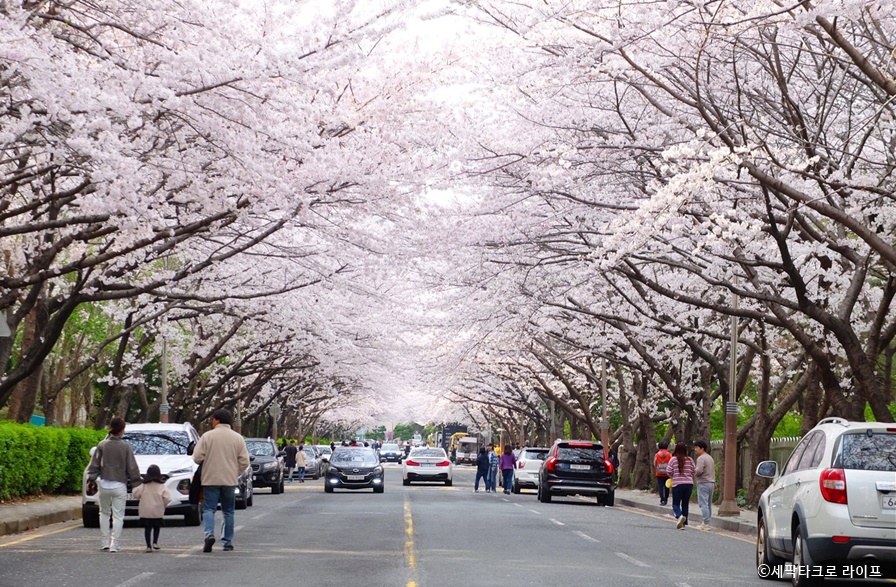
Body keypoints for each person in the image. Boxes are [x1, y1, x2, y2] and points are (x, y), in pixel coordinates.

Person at [192, 407, 250, 553]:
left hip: (210, 479)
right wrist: (235, 472)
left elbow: (197, 457)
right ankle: (227, 542)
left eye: (213, 419)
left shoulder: (207, 436)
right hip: (229, 480)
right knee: (228, 511)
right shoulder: (237, 438)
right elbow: (244, 461)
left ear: (217, 420)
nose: (212, 422)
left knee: (209, 509)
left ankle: (209, 534)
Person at [85, 416, 142, 553]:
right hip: (119, 485)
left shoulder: (102, 445)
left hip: (104, 484)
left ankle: (104, 541)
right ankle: (114, 543)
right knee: (118, 515)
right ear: (122, 430)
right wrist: (136, 483)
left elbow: (94, 465)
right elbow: (132, 468)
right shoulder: (125, 447)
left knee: (104, 513)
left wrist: (91, 479)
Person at [133, 464, 171, 552]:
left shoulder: (144, 485)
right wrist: (163, 505)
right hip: (157, 510)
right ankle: (155, 542)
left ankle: (148, 546)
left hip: (146, 511)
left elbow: (136, 494)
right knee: (157, 527)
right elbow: (167, 498)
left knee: (147, 528)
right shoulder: (162, 486)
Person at [667, 442, 696, 529]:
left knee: (675, 504)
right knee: (685, 503)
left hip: (677, 484)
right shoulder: (690, 460)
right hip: (689, 484)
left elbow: (668, 471)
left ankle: (679, 516)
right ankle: (684, 523)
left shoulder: (673, 459)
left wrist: (673, 475)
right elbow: (694, 471)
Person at [693, 440, 716, 529]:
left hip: (703, 482)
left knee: (703, 503)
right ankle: (707, 522)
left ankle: (705, 523)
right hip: (711, 482)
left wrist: (693, 472)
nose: (695, 449)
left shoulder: (701, 458)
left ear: (702, 448)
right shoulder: (710, 458)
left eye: (696, 447)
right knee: (708, 504)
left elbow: (699, 471)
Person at [654, 441, 672, 506]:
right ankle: (666, 499)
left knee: (660, 486)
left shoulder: (657, 455)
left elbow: (654, 463)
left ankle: (662, 499)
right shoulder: (669, 454)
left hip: (659, 473)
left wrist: (657, 468)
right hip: (667, 473)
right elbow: (671, 463)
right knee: (667, 486)